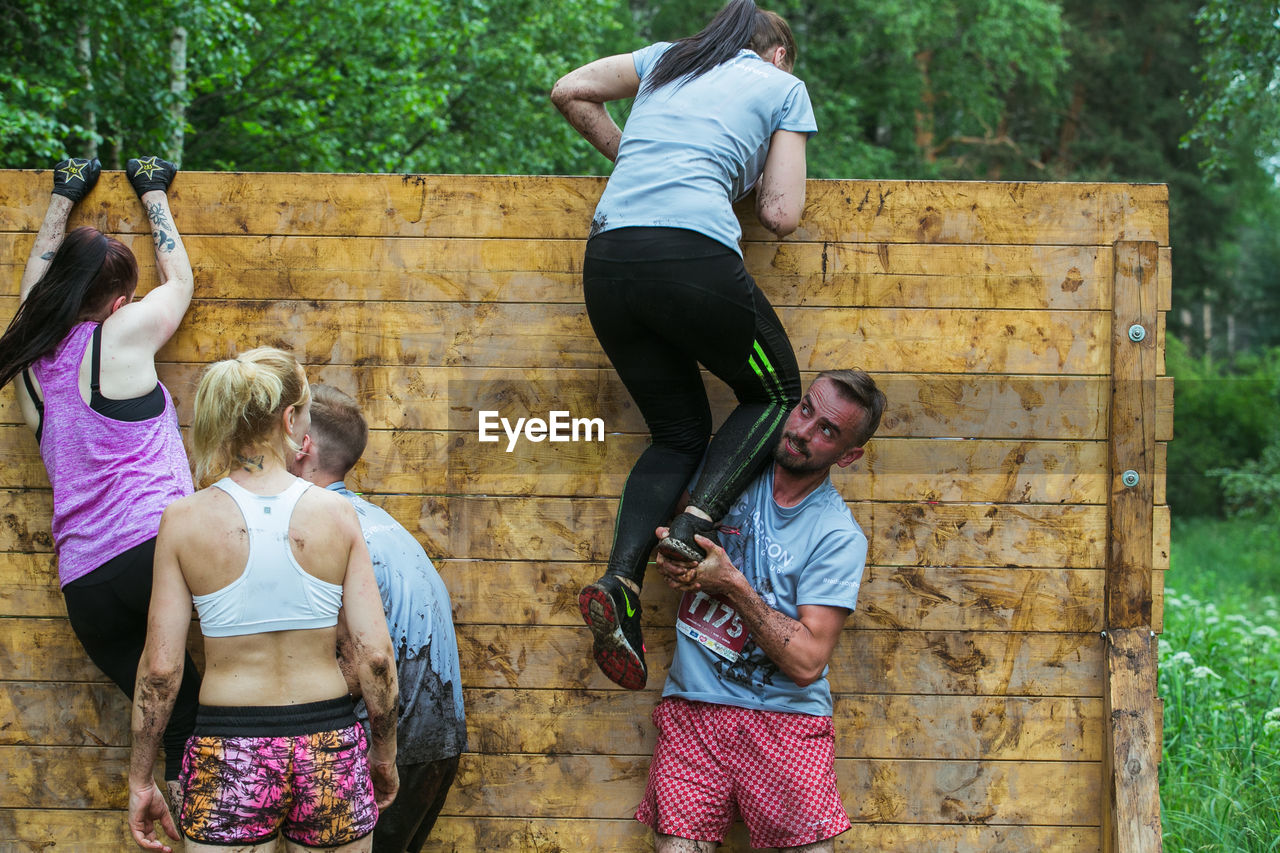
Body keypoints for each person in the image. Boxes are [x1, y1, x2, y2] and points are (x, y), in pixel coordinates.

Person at [550, 0, 814, 690]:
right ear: (779, 54)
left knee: (678, 430)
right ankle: (694, 520)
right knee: (778, 393)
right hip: (691, 257)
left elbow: (568, 90)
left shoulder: (667, 58)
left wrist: (630, 155)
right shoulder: (781, 86)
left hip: (608, 262)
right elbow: (782, 216)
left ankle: (621, 582)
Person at [126, 348, 398, 853]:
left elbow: (161, 671)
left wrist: (142, 777)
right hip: (328, 746)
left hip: (229, 751)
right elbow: (376, 659)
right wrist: (383, 755)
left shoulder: (184, 521)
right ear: (290, 418)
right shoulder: (337, 516)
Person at [0, 156, 201, 804]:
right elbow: (181, 281)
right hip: (154, 551)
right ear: (118, 303)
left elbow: (34, 294)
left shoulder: (30, 369)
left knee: (178, 731)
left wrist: (65, 194)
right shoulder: (122, 334)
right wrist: (152, 191)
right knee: (213, 718)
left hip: (86, 585)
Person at [641, 370, 886, 853]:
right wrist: (674, 554)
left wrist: (731, 585)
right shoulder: (728, 474)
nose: (802, 430)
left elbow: (807, 661)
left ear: (849, 455)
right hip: (695, 709)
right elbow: (669, 522)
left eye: (827, 431)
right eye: (806, 409)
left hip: (786, 723)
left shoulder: (837, 535)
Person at [288, 384, 466, 853]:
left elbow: (360, 665)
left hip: (389, 746)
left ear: (302, 448)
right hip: (438, 742)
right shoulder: (379, 522)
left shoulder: (327, 530)